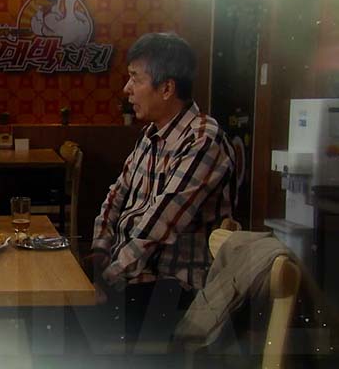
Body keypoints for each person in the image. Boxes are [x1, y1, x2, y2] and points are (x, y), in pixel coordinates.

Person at [84, 32, 239, 349]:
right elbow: (115, 196)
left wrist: (107, 278)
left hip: (174, 287)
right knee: (55, 304)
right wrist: (99, 251)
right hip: (133, 274)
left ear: (167, 88)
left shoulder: (203, 139)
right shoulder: (151, 134)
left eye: (135, 78)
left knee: (65, 319)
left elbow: (160, 225)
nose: (127, 89)